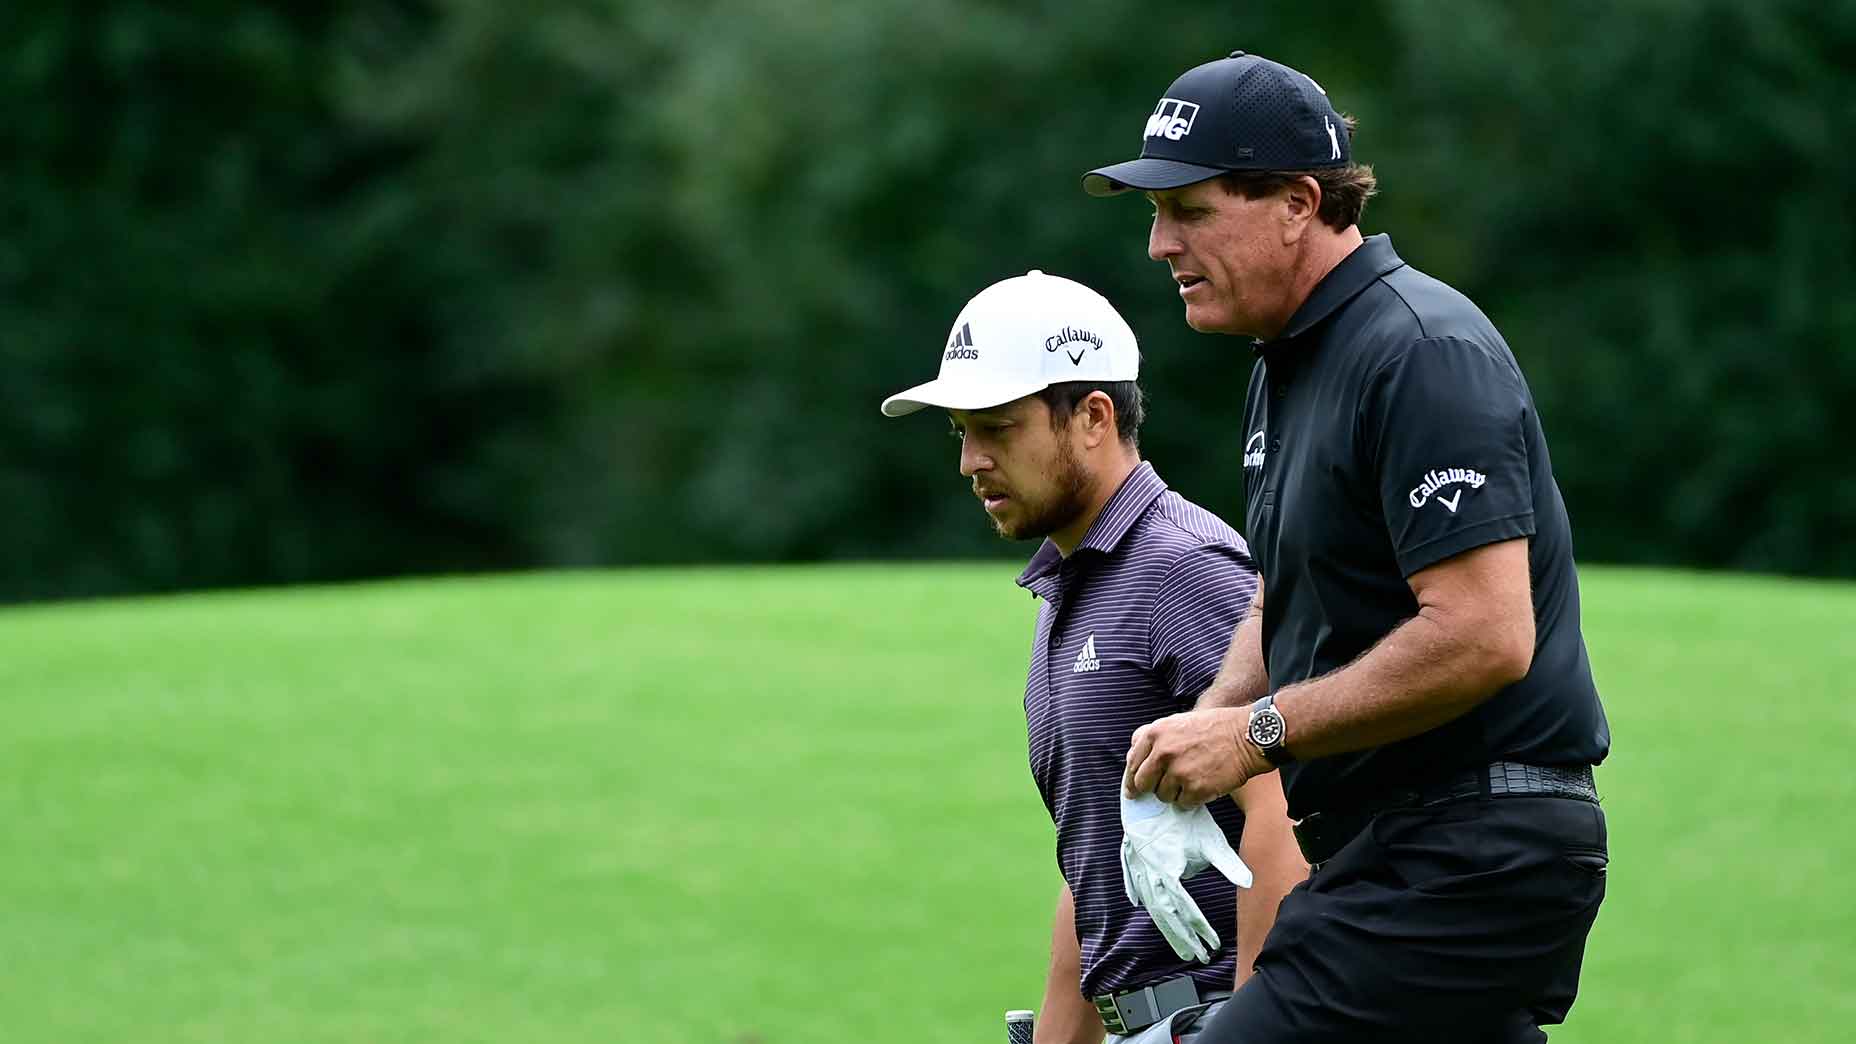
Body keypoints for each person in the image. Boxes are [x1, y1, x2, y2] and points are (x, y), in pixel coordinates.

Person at [1079, 52, 1613, 1043]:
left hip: (1469, 856)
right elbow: (1284, 596)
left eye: (1189, 212)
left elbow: (1485, 634)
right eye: (1154, 217)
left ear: (1295, 201)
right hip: (1397, 852)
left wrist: (1254, 737)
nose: (1157, 245)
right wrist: (1209, 720)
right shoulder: (1287, 363)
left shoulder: (1418, 352)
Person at [881, 271, 1307, 1042]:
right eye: (962, 433)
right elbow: (1095, 871)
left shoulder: (1183, 568)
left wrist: (1255, 1028)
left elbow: (1286, 815)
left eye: (999, 428)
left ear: (1093, 418)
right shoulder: (1071, 589)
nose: (972, 460)